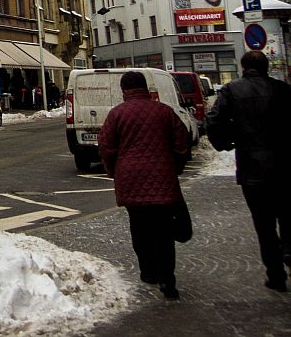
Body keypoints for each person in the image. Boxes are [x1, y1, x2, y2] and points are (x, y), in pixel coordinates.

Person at [98, 70, 191, 300]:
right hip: (162, 180)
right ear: (146, 88)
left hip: (131, 180)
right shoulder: (164, 112)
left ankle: (148, 271)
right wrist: (174, 167)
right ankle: (168, 280)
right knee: (164, 231)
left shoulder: (116, 114)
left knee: (140, 228)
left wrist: (114, 170)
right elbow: (182, 142)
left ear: (124, 90)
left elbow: (106, 146)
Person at [205, 50, 291, 293]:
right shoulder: (283, 90)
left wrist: (226, 142)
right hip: (285, 166)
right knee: (287, 214)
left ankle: (275, 275)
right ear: (266, 67)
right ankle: (288, 248)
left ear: (243, 67)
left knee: (263, 224)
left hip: (253, 169)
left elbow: (214, 121)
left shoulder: (232, 91)